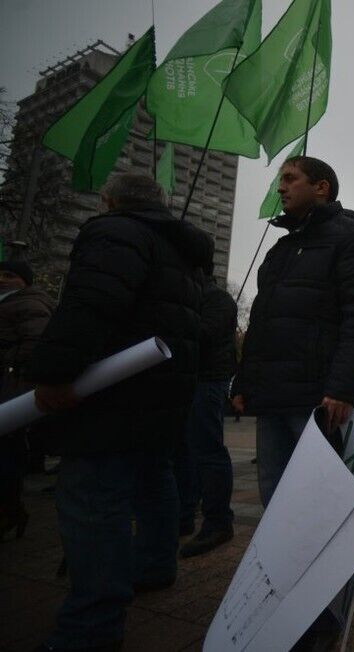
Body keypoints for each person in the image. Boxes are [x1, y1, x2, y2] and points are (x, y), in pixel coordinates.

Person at [26, 174, 210, 651]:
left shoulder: (116, 232)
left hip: (111, 396)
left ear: (108, 201)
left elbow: (90, 304)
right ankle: (155, 565)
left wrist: (53, 371)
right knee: (153, 479)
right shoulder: (185, 252)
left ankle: (90, 628)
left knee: (93, 503)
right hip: (161, 395)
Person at [231, 155, 354, 650]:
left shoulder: (353, 238)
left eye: (289, 179)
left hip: (318, 403)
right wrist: (244, 380)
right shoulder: (279, 251)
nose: (280, 188)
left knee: (320, 512)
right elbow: (261, 322)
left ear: (321, 187)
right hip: (274, 400)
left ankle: (324, 618)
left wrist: (342, 386)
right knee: (278, 509)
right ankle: (286, 608)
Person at [174, 262, 238, 557]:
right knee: (182, 451)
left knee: (208, 451)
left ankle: (218, 520)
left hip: (208, 381)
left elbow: (205, 335)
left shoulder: (218, 300)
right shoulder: (189, 297)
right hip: (186, 380)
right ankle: (183, 513)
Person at [0, 260, 54, 540]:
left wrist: (10, 365)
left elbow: (36, 343)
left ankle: (9, 510)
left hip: (10, 390)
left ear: (24, 281)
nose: (2, 279)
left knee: (7, 450)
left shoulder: (28, 303)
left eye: (9, 275)